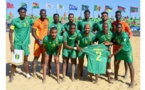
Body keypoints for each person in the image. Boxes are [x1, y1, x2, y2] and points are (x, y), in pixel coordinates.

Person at [9, 7, 33, 82]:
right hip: (17, 44)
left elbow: (36, 24)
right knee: (15, 60)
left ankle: (27, 74)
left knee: (26, 60)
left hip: (25, 44)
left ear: (26, 13)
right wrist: (11, 44)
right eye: (21, 12)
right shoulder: (14, 21)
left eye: (24, 12)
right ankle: (12, 75)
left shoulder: (29, 20)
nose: (23, 13)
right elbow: (10, 32)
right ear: (19, 13)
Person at [109, 23, 135, 88]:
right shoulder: (115, 34)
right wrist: (109, 42)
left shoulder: (124, 35)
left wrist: (112, 54)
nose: (118, 28)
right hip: (120, 51)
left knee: (130, 65)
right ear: (116, 28)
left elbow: (120, 47)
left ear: (121, 28)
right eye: (117, 27)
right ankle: (116, 77)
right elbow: (113, 41)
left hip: (127, 51)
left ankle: (132, 82)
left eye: (120, 27)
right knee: (116, 63)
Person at [112, 11, 133, 78]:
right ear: (115, 16)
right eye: (117, 15)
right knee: (116, 60)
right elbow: (112, 32)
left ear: (121, 16)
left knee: (125, 60)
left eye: (119, 15)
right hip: (116, 44)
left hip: (123, 44)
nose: (118, 16)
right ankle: (116, 75)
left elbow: (130, 32)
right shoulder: (113, 23)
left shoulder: (124, 23)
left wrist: (127, 38)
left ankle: (126, 73)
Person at [31, 9, 49, 77]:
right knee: (36, 57)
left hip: (45, 42)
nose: (43, 14)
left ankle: (42, 69)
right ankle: (34, 72)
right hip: (38, 42)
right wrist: (39, 40)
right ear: (40, 13)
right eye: (42, 13)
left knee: (44, 57)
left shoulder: (47, 20)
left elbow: (48, 30)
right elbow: (33, 32)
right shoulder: (36, 22)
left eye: (44, 13)